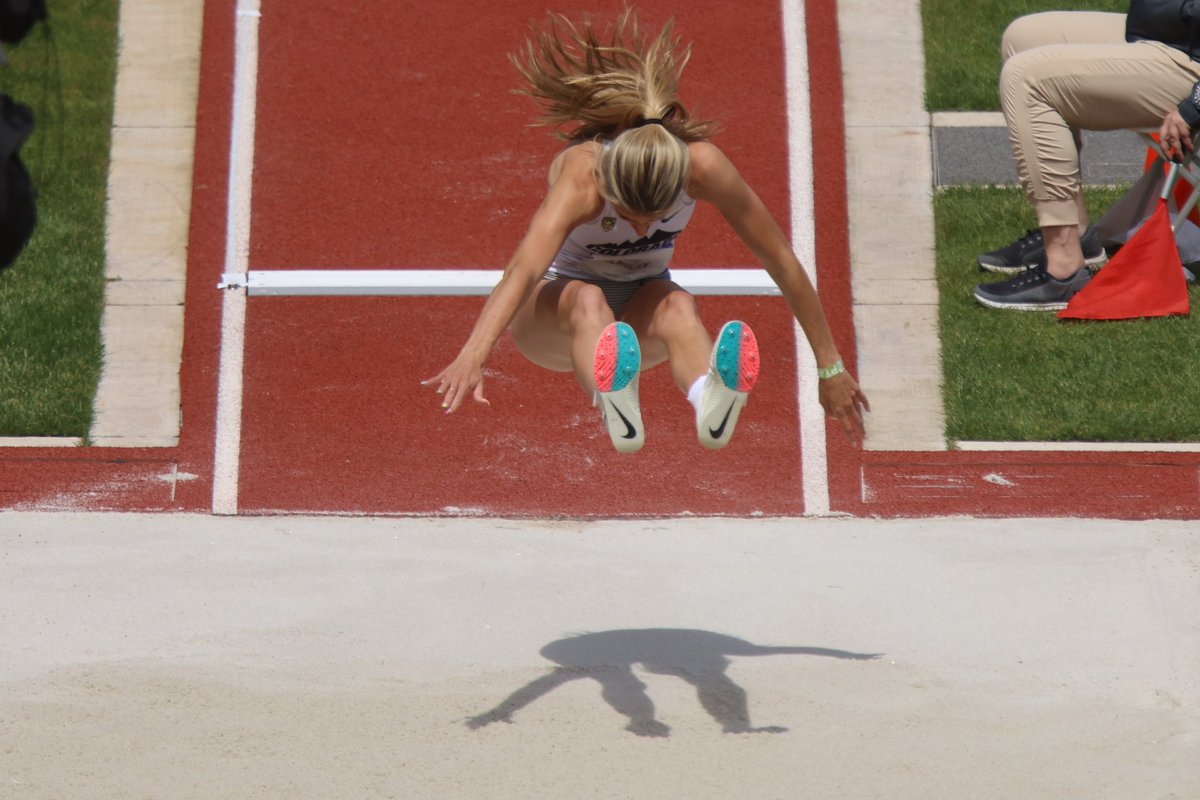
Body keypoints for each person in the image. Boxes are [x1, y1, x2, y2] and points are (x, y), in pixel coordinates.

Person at [424, 8, 868, 451]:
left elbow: (782, 261)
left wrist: (830, 367)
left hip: (640, 308)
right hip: (554, 319)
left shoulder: (702, 167)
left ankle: (709, 399)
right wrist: (474, 354)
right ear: (608, 184)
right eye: (629, 214)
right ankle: (613, 399)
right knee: (589, 299)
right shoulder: (582, 176)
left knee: (679, 304)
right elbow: (522, 271)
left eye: (654, 218)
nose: (640, 230)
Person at [973, 3, 1200, 311]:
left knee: (1026, 79)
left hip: (1192, 68)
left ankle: (1064, 267)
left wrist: (1194, 106)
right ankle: (1077, 235)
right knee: (1022, 38)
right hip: (1174, 32)